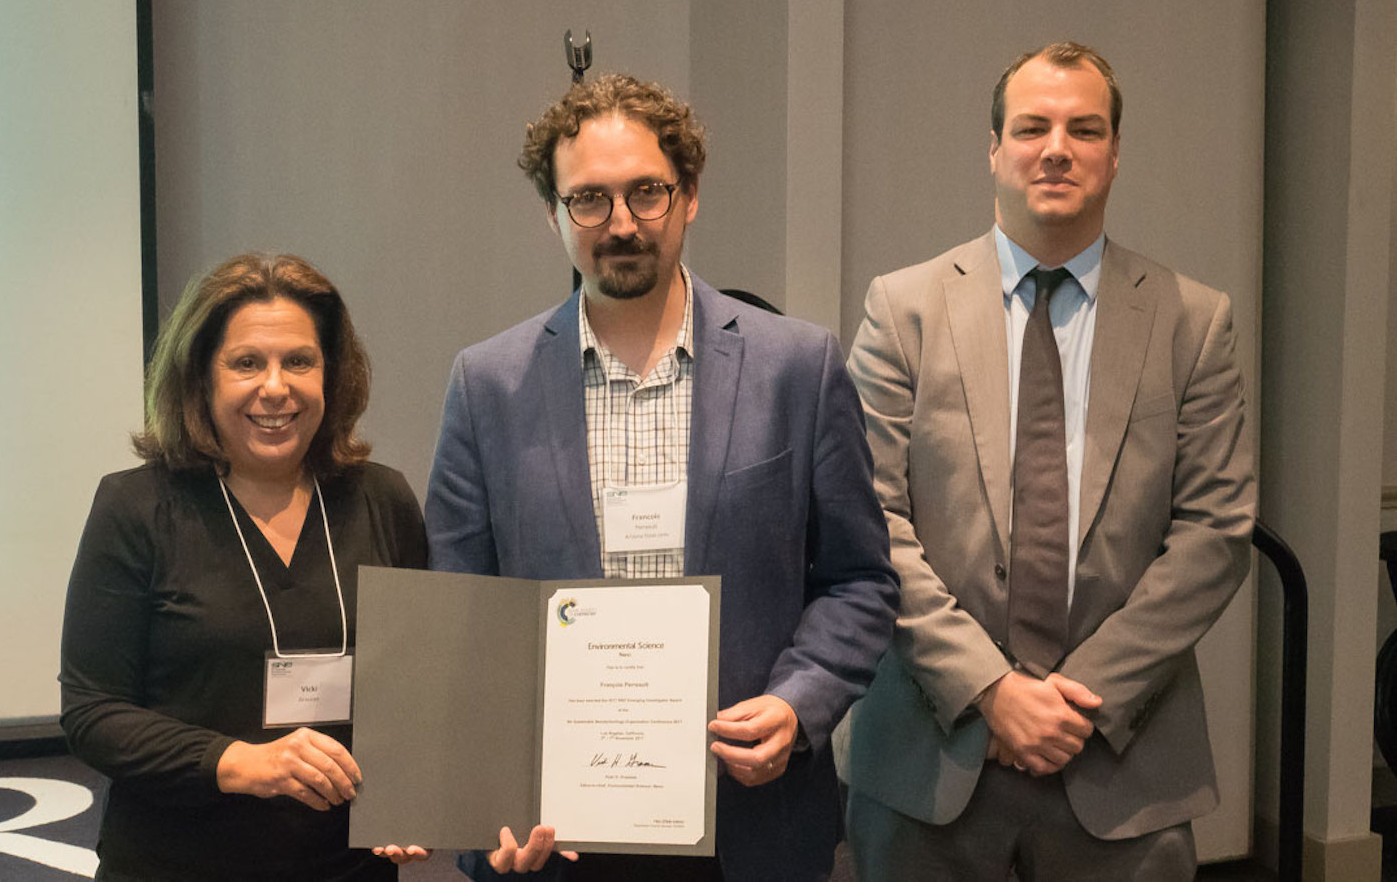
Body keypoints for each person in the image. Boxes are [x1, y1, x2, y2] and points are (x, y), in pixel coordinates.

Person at [425, 74, 900, 881]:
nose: (621, 223)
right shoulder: (488, 385)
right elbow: (461, 614)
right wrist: (484, 799)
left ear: (690, 196)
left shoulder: (798, 366)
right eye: (589, 199)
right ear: (552, 214)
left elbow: (860, 579)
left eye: (646, 192)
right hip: (555, 834)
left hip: (750, 824)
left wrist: (798, 701)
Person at [837, 42, 1257, 880]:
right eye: (1032, 128)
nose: (1057, 148)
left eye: (1084, 129)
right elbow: (867, 519)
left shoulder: (1194, 321)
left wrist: (1077, 701)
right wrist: (990, 691)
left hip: (1122, 762)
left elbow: (1216, 533)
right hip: (929, 754)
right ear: (994, 149)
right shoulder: (903, 309)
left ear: (1115, 152)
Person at [59, 253, 430, 880]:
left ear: (332, 374)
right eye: (247, 363)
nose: (276, 387)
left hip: (348, 866)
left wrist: (416, 795)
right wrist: (239, 762)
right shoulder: (136, 507)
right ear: (201, 377)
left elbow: (419, 687)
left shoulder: (382, 498)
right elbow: (93, 712)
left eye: (300, 361)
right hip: (177, 863)